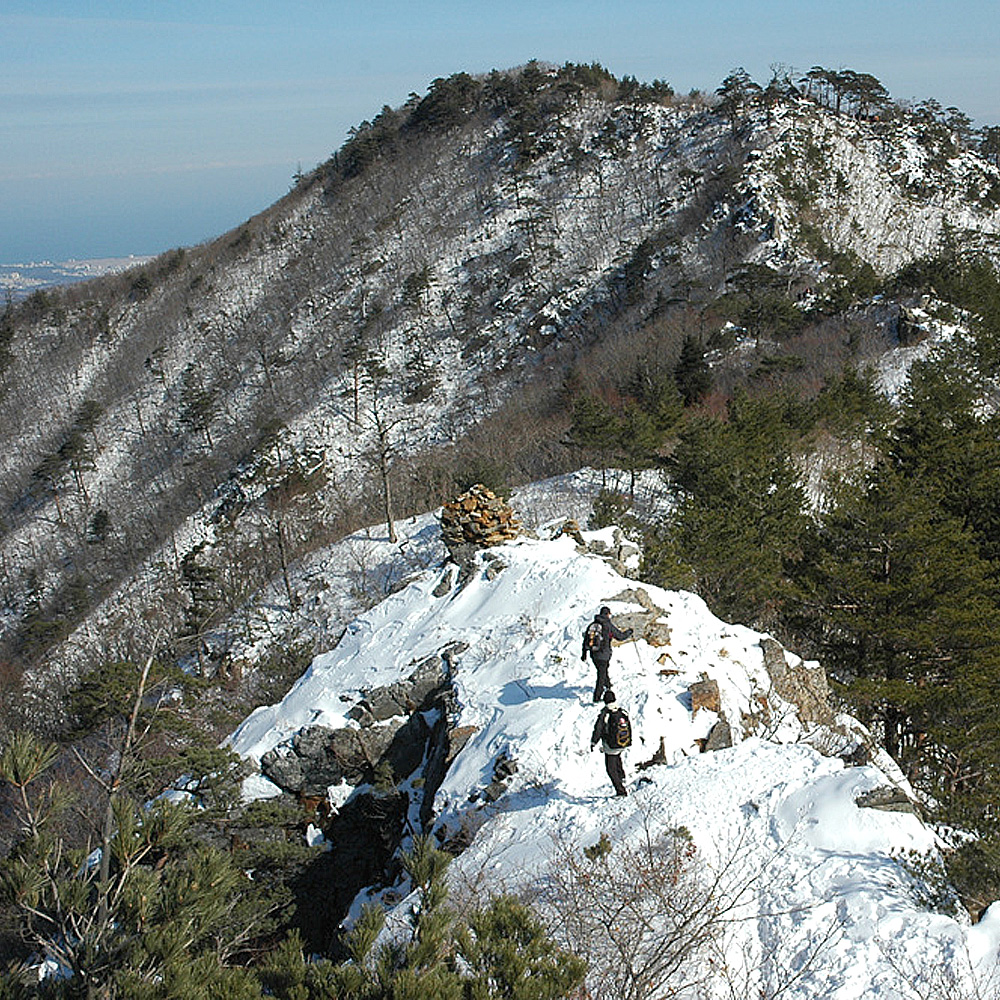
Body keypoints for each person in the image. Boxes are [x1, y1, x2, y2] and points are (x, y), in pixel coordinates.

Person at [581, 605, 633, 702]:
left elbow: (586, 640)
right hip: (604, 654)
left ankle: (608, 685)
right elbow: (620, 636)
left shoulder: (593, 624)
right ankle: (597, 697)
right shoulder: (608, 625)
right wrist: (629, 632)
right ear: (608, 614)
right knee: (601, 675)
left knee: (603, 670)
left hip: (594, 654)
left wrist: (584, 653)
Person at [591, 689, 630, 797]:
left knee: (610, 769)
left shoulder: (605, 714)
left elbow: (598, 729)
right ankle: (622, 777)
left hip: (610, 746)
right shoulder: (621, 711)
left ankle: (621, 791)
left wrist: (594, 742)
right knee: (617, 758)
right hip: (621, 743)